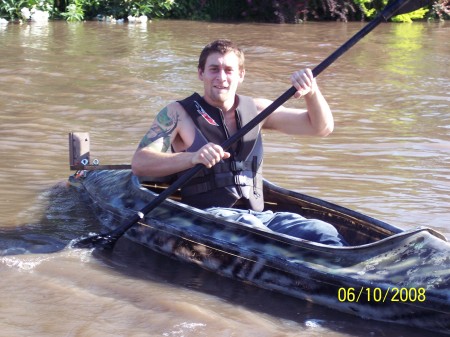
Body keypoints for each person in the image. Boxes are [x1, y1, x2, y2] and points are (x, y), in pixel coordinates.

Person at [132, 39, 347, 246]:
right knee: (250, 227)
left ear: (241, 75)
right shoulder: (177, 113)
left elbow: (321, 128)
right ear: (201, 73)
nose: (221, 77)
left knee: (323, 231)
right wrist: (192, 157)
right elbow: (140, 163)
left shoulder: (259, 110)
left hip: (261, 216)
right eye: (214, 69)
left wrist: (312, 92)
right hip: (208, 218)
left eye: (229, 70)